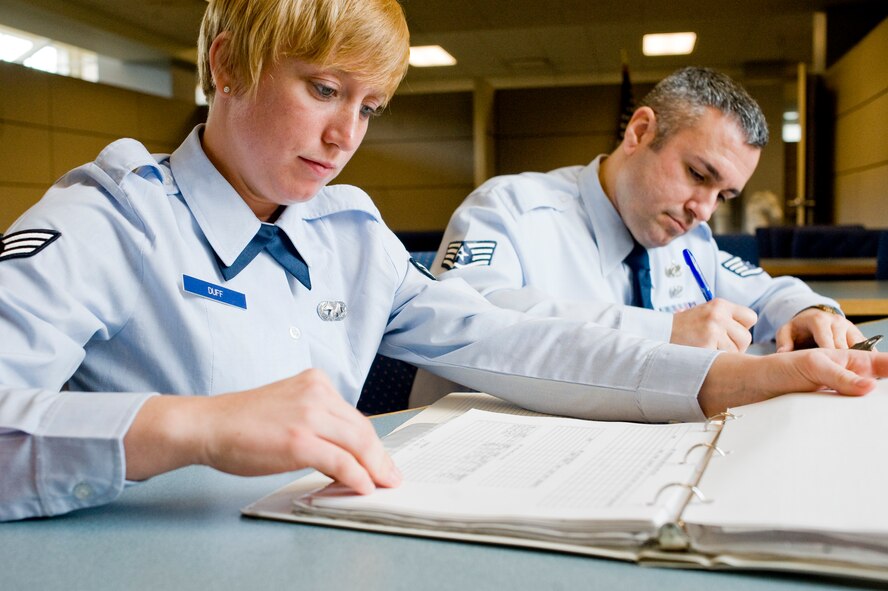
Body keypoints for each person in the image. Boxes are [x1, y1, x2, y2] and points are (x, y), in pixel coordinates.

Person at [0, 1, 885, 523]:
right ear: (228, 63)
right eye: (322, 89)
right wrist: (192, 426)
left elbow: (508, 336)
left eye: (371, 107)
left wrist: (726, 377)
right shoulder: (111, 217)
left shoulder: (347, 232)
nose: (346, 136)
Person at [432, 67, 864, 354]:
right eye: (697, 173)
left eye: (724, 196)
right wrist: (662, 335)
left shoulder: (691, 242)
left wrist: (812, 313)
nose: (704, 210)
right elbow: (465, 321)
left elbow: (769, 293)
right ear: (639, 132)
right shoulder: (510, 210)